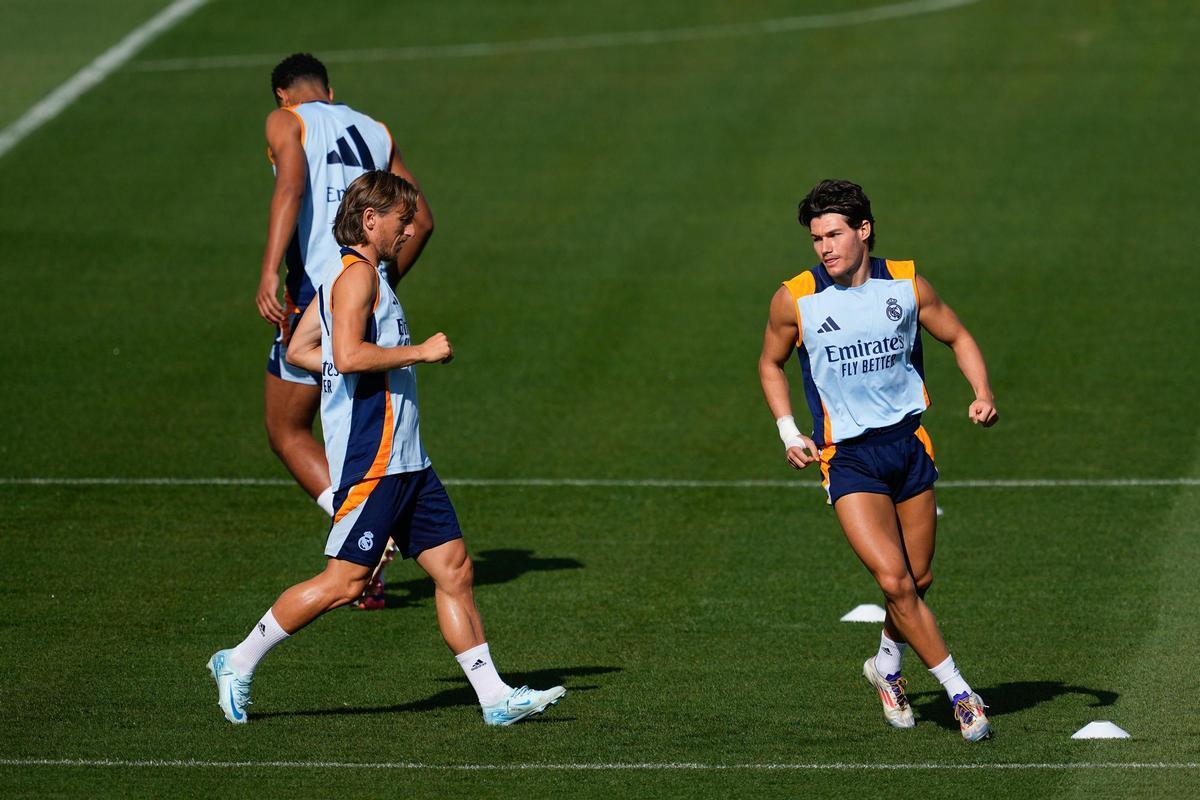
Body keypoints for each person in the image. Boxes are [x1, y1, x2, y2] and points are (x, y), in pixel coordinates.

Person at [209, 171, 565, 726]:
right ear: (370, 218)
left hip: (409, 461)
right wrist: (419, 352)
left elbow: (305, 347)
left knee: (455, 569)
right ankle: (238, 659)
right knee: (344, 582)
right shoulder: (354, 280)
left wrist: (340, 359)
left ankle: (494, 698)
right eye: (402, 219)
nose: (409, 229)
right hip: (373, 461)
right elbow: (346, 356)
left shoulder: (361, 275)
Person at [757, 179, 997, 742]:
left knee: (917, 579)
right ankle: (961, 693)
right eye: (816, 238)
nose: (825, 247)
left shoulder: (907, 285)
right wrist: (789, 431)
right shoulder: (795, 298)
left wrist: (982, 393)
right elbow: (770, 365)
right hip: (849, 461)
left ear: (864, 230)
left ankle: (887, 669)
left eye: (834, 234)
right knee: (893, 578)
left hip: (909, 449)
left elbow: (958, 336)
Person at [258, 52, 433, 607]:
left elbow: (289, 189)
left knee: (287, 429)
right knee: (365, 427)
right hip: (367, 283)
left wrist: (267, 271)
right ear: (329, 89)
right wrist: (382, 283)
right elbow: (422, 219)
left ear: (284, 95)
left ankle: (357, 533)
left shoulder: (287, 121)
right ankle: (366, 539)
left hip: (316, 295)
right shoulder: (374, 128)